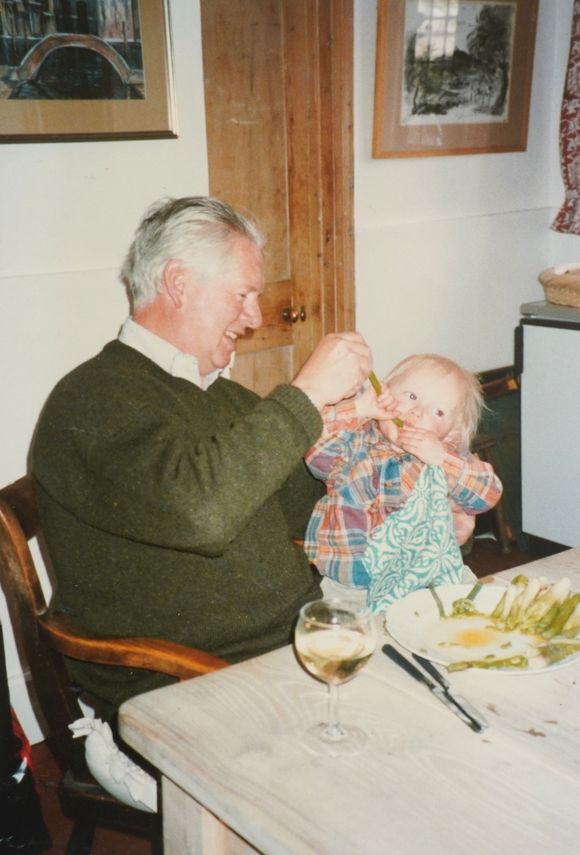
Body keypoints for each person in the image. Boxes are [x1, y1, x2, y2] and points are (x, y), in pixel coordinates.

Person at [30, 196, 378, 711]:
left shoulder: (218, 395)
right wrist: (304, 397)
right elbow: (202, 515)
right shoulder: (91, 400)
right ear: (178, 283)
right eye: (242, 295)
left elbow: (309, 509)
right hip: (183, 685)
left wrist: (401, 498)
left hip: (291, 649)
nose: (255, 317)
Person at [303, 353, 503, 602]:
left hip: (424, 580)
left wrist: (441, 459)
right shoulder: (353, 440)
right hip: (349, 584)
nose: (417, 412)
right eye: (411, 396)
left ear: (451, 433)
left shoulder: (444, 456)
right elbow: (314, 452)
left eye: (438, 412)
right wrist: (360, 408)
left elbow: (487, 493)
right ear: (383, 392)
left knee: (473, 609)